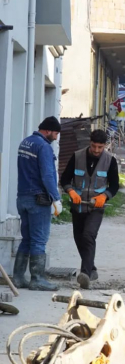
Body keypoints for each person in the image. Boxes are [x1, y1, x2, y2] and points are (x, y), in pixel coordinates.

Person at [60, 129, 120, 289]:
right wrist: (70, 191)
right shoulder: (77, 156)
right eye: (94, 146)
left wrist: (104, 196)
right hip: (78, 206)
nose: (96, 150)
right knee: (79, 239)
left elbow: (114, 185)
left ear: (105, 146)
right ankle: (91, 269)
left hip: (96, 207)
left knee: (88, 236)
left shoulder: (110, 161)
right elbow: (65, 178)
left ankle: (85, 274)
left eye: (100, 147)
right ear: (90, 143)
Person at [13, 116, 64, 291]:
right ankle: (37, 279)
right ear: (48, 130)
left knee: (26, 238)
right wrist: (56, 198)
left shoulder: (25, 143)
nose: (56, 137)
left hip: (22, 197)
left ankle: (18, 278)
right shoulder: (43, 147)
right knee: (39, 240)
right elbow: (47, 176)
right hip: (38, 199)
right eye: (56, 133)